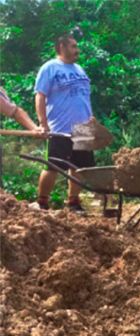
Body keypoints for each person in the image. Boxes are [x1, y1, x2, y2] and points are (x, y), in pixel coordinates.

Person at [33, 34, 96, 212]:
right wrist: (43, 123)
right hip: (60, 128)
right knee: (53, 166)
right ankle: (42, 202)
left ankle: (73, 202)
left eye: (77, 46)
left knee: (79, 168)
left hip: (83, 128)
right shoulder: (50, 68)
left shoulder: (79, 69)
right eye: (73, 46)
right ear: (62, 47)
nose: (77, 50)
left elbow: (84, 96)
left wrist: (91, 118)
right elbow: (40, 96)